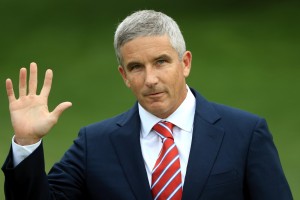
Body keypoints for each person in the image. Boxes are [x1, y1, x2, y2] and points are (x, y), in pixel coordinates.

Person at [2, 10, 293, 200]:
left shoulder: (245, 133)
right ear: (124, 76)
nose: (150, 79)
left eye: (161, 62)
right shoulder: (95, 144)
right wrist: (27, 141)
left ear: (185, 62)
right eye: (136, 67)